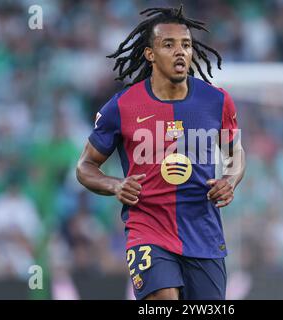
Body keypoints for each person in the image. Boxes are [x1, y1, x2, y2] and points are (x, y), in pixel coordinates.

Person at [76, 5, 245, 300]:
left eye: (186, 44)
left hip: (203, 233)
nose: (180, 52)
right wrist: (115, 184)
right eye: (169, 44)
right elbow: (85, 166)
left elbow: (236, 153)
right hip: (148, 229)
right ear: (150, 53)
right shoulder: (122, 106)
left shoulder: (217, 101)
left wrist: (229, 180)